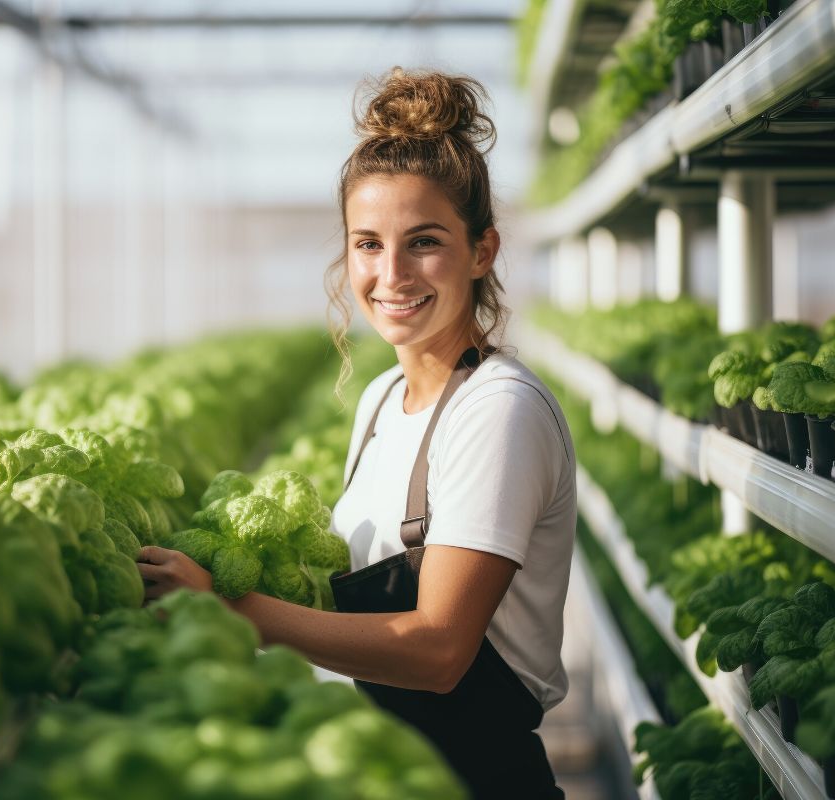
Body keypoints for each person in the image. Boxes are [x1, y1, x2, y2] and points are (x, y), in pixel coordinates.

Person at [136, 66, 576, 800]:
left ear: (483, 251)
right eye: (368, 243)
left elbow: (438, 650)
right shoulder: (379, 400)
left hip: (473, 779)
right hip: (381, 769)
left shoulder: (498, 412)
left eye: (424, 241)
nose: (392, 273)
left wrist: (233, 607)